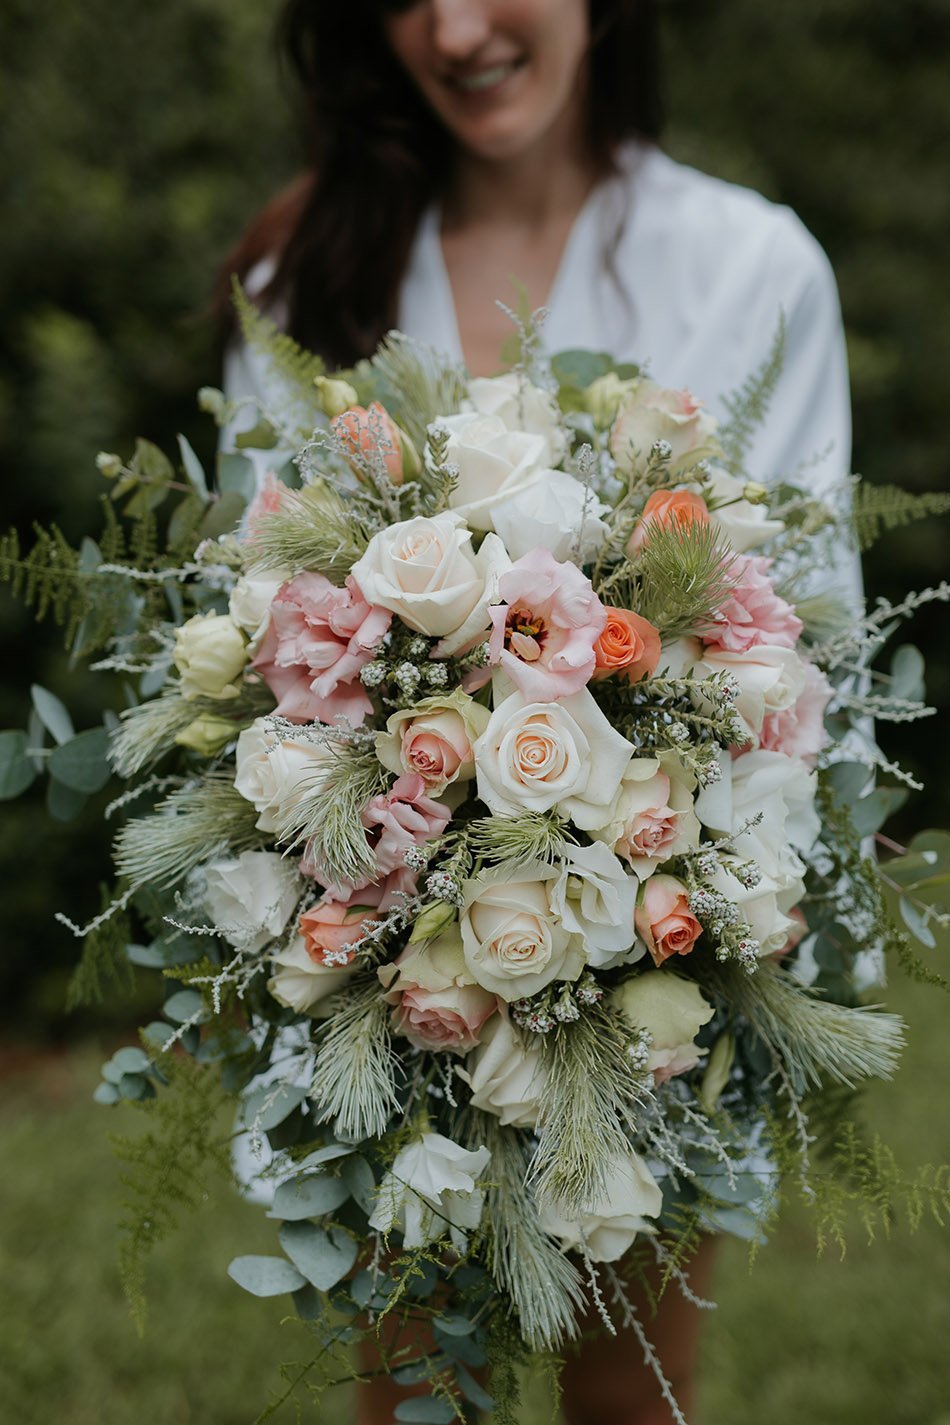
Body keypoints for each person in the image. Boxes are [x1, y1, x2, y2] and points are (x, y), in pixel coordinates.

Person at [221, 3, 861, 1421]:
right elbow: (244, 627)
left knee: (632, 1393)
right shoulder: (306, 276)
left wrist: (690, 894)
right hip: (379, 971)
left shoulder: (749, 267)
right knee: (401, 1395)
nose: (454, 28)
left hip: (649, 966)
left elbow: (811, 650)